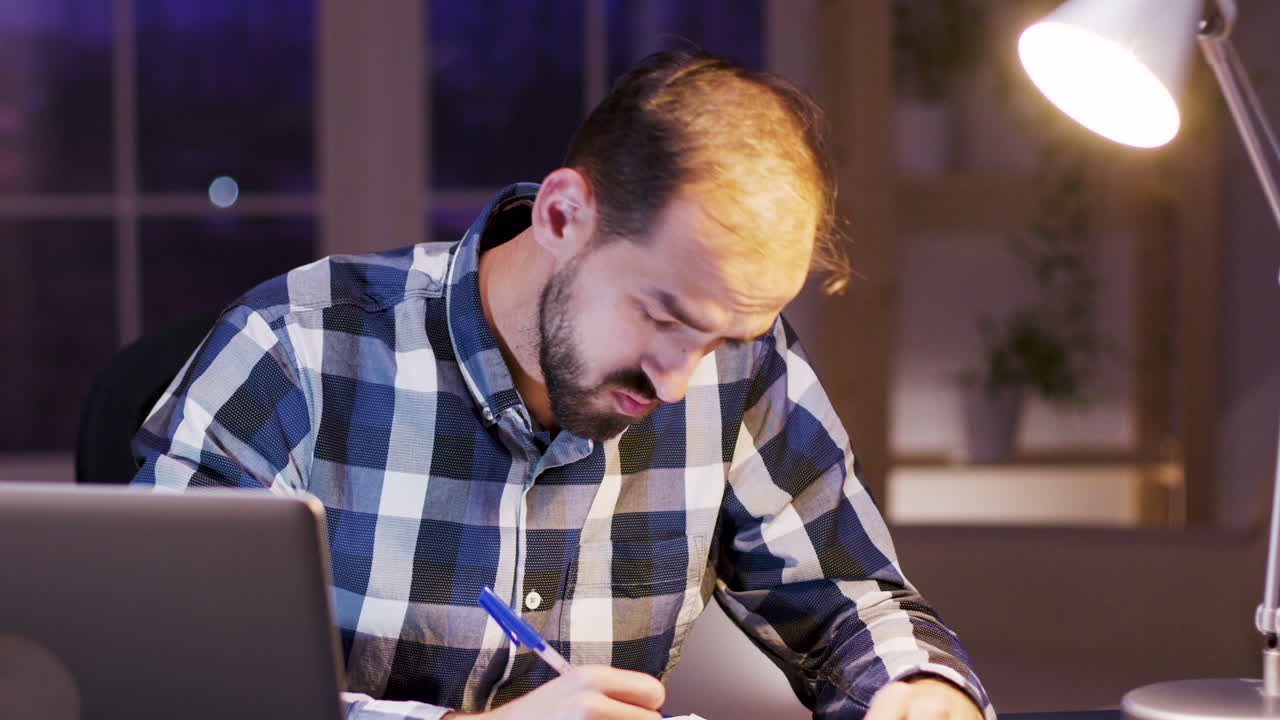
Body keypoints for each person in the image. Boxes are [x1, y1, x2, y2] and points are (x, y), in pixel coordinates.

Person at [132, 50, 993, 720]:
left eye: (728, 336)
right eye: (661, 316)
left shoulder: (738, 368)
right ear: (561, 216)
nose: (678, 377)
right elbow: (152, 667)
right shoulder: (297, 348)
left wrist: (921, 687)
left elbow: (852, 605)